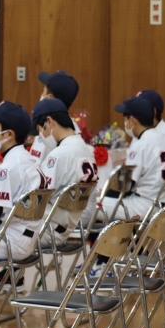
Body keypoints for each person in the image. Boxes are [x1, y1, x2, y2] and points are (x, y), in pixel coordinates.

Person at [0, 101, 48, 296]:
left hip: (11, 242)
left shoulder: (9, 166)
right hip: (26, 239)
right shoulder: (28, 159)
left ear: (8, 134)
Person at [32, 98, 98, 252]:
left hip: (46, 229)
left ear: (49, 122)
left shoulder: (60, 155)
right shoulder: (86, 150)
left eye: (40, 130)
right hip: (66, 225)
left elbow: (36, 199)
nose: (41, 136)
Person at [102, 96, 165, 220]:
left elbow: (126, 187)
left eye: (125, 119)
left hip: (146, 206)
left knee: (93, 205)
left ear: (133, 120)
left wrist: (103, 194)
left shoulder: (141, 144)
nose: (125, 123)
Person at [29, 70, 81, 164]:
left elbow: (35, 167)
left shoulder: (49, 127)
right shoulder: (71, 127)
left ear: (50, 98)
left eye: (43, 91)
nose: (41, 94)